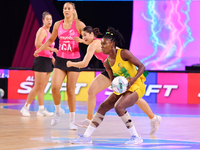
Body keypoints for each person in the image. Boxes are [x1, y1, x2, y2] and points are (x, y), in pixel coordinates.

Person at [67, 26, 161, 135]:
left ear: (92, 35)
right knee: (132, 97)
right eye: (82, 36)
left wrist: (71, 64)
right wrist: (83, 41)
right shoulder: (97, 43)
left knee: (130, 95)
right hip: (112, 69)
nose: (83, 38)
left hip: (118, 69)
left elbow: (84, 64)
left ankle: (89, 120)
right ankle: (154, 118)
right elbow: (93, 45)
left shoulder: (94, 45)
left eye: (85, 35)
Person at [34, 2, 86, 130]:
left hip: (74, 61)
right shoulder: (58, 24)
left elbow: (89, 39)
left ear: (73, 10)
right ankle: (58, 111)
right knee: (55, 87)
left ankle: (72, 121)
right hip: (61, 60)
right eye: (65, 8)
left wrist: (82, 40)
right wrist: (39, 49)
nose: (66, 10)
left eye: (69, 8)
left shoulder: (79, 24)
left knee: (70, 91)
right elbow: (51, 40)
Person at [20, 11, 57, 117]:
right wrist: (53, 49)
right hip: (40, 60)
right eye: (47, 19)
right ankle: (25, 107)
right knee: (38, 86)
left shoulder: (50, 34)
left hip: (47, 60)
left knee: (43, 87)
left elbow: (46, 49)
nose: (49, 21)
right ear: (43, 21)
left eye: (50, 19)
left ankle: (41, 109)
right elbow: (37, 44)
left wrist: (52, 57)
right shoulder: (42, 30)